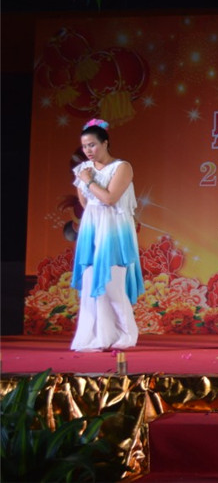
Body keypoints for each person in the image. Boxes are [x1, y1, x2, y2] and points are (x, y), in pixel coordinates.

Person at [70, 118, 144, 352]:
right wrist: (85, 181)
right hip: (92, 225)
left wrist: (89, 180)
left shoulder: (122, 167)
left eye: (92, 145)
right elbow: (85, 202)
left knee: (113, 283)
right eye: (84, 146)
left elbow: (110, 198)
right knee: (91, 280)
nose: (88, 150)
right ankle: (99, 335)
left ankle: (127, 333)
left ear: (105, 143)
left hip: (114, 227)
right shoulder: (83, 169)